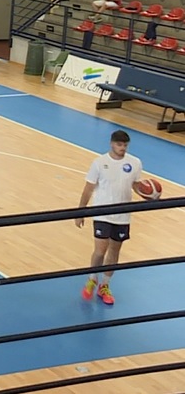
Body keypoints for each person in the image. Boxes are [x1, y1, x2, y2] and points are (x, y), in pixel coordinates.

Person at [75, 130, 143, 306]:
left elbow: (135, 185)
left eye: (125, 145)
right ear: (112, 144)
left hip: (123, 216)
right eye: (119, 145)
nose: (122, 148)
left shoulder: (135, 163)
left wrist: (148, 194)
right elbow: (88, 188)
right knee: (100, 250)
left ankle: (104, 285)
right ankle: (92, 279)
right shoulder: (99, 163)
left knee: (114, 251)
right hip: (102, 213)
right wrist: (80, 211)